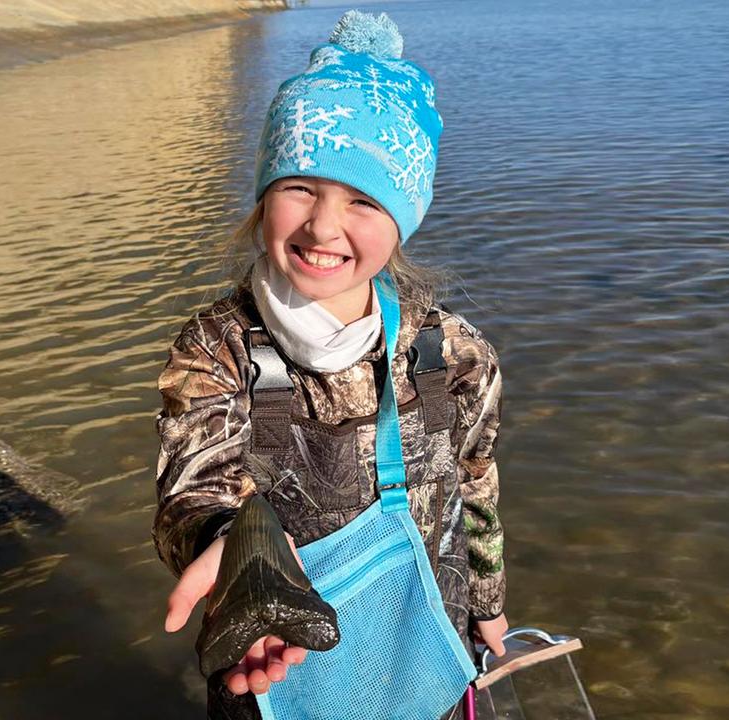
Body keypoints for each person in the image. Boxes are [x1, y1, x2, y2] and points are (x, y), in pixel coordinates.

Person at [153, 10, 508, 719]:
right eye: (299, 188)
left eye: (363, 201)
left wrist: (490, 606)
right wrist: (243, 546)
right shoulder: (218, 347)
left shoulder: (454, 354)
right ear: (262, 199)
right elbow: (192, 490)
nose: (322, 226)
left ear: (404, 217)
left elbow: (475, 487)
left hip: (425, 647)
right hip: (272, 654)